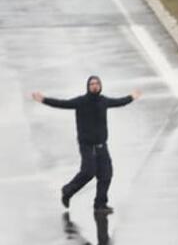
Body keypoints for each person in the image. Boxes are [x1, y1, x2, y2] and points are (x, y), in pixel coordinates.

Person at [32, 76, 141, 214]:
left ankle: (100, 204)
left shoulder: (104, 101)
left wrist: (132, 97)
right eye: (92, 84)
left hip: (102, 145)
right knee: (88, 171)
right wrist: (43, 99)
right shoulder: (81, 102)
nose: (95, 86)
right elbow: (62, 104)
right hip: (87, 145)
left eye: (97, 83)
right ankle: (67, 190)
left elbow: (120, 102)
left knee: (106, 174)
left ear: (100, 86)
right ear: (88, 87)